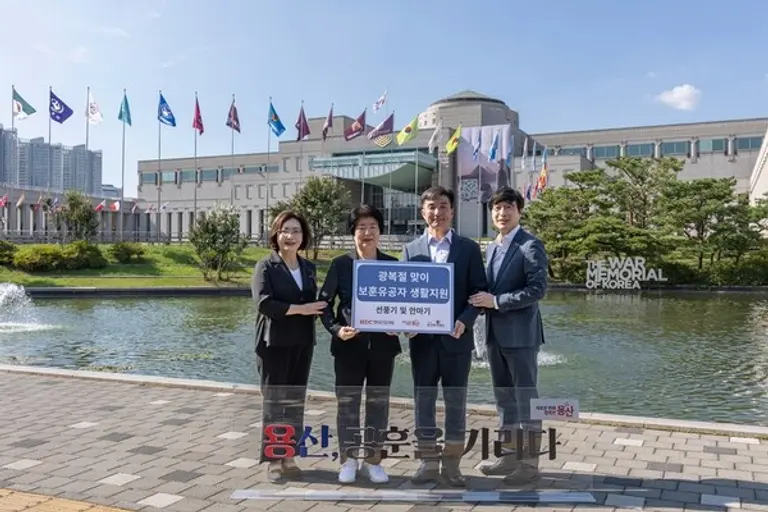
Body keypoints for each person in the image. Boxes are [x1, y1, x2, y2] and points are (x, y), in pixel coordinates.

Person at [401, 186, 487, 487]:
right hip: (422, 342)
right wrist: (406, 322)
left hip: (456, 340)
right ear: (423, 212)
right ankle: (427, 462)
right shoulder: (411, 250)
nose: (437, 212)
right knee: (423, 401)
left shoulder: (468, 248)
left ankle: (452, 464)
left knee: (455, 403)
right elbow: (404, 296)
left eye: (443, 206)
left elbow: (478, 292)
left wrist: (465, 320)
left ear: (452, 211)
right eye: (431, 207)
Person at [468, 186, 549, 484]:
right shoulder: (493, 246)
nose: (502, 213)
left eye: (508, 208)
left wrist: (497, 302)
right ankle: (508, 457)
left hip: (521, 336)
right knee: (504, 399)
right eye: (497, 208)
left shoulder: (530, 245)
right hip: (494, 335)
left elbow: (538, 289)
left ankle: (529, 466)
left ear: (519, 211)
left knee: (526, 399)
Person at [318, 204, 402, 485]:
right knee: (348, 405)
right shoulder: (341, 264)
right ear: (353, 233)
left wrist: (400, 325)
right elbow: (324, 305)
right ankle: (349, 460)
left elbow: (406, 306)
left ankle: (373, 461)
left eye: (373, 227)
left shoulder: (393, 265)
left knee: (378, 405)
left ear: (380, 232)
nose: (367, 233)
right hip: (348, 348)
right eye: (361, 228)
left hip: (382, 349)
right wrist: (336, 329)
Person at [251, 210, 327, 482]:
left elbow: (316, 303)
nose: (291, 236)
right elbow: (264, 303)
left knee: (295, 401)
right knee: (275, 402)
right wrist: (302, 309)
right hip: (274, 343)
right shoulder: (266, 266)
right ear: (276, 234)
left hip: (303, 342)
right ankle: (273, 459)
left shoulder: (308, 268)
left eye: (296, 231)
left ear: (303, 236)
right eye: (286, 230)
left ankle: (290, 456)